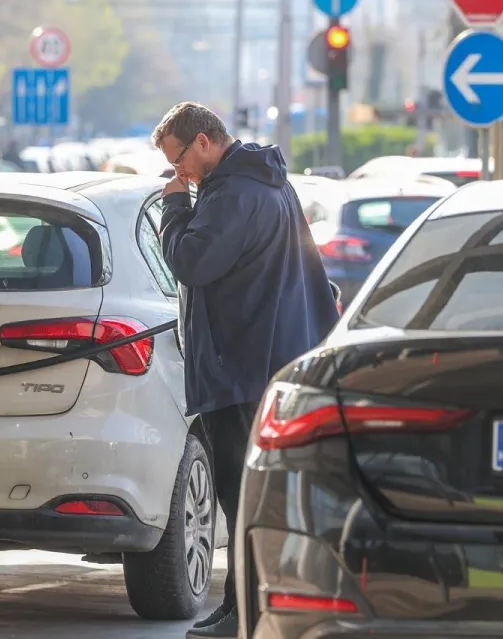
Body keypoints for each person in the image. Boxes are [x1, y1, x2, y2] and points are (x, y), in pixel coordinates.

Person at [153, 102, 340, 639]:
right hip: (265, 360)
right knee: (252, 497)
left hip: (241, 366)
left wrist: (174, 208)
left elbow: (191, 262)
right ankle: (247, 604)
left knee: (241, 498)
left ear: (206, 142)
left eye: (181, 160)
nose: (179, 174)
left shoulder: (233, 194)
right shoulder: (266, 183)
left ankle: (245, 612)